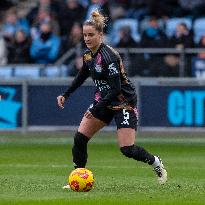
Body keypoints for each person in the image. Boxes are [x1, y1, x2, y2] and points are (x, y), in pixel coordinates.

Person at [57, 11, 167, 188]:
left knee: (127, 149)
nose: (87, 38)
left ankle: (155, 162)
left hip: (123, 101)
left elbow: (116, 89)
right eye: (85, 35)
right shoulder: (87, 55)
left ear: (100, 35)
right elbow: (81, 75)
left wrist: (94, 109)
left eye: (91, 35)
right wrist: (66, 94)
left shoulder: (109, 57)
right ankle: (77, 177)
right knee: (80, 138)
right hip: (104, 100)